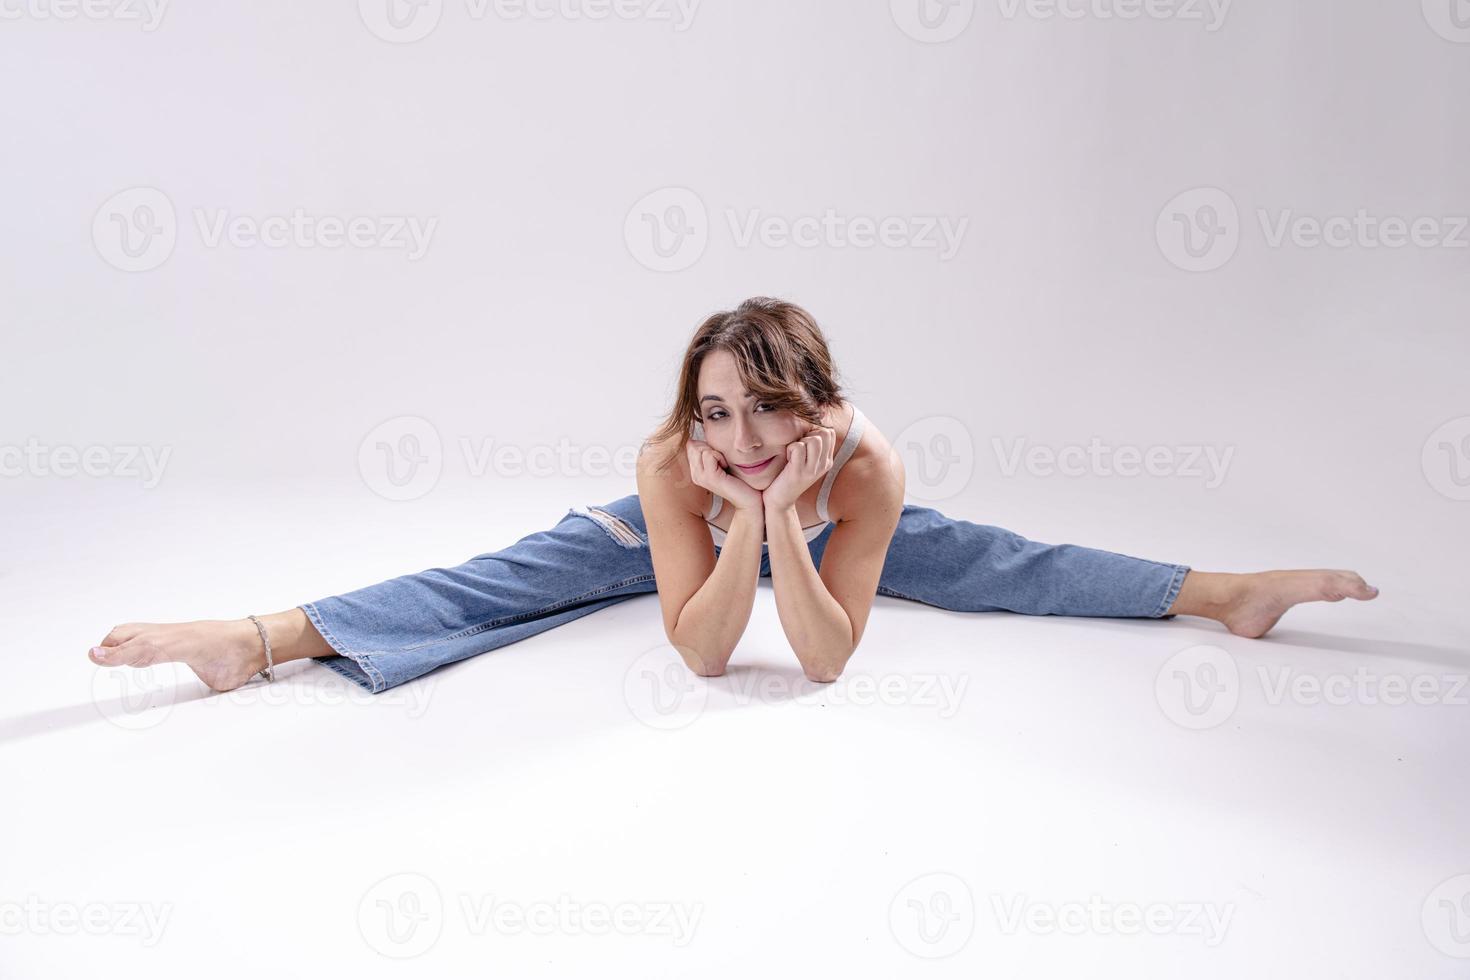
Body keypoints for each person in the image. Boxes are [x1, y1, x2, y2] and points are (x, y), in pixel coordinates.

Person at [86, 296, 1379, 694]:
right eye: (715, 411)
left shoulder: (865, 463)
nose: (740, 433)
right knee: (511, 573)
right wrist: (736, 518)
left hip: (805, 535)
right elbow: (703, 656)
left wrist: (778, 522)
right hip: (685, 542)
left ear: (812, 404)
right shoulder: (668, 464)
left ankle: (1224, 594)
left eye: (765, 408)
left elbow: (821, 662)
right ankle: (258, 637)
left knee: (989, 557)